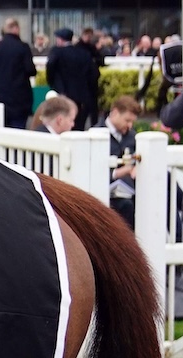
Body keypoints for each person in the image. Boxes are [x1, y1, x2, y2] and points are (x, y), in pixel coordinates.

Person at [0, 19, 36, 130]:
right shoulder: (22, 47)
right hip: (20, 99)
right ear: (16, 28)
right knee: (18, 132)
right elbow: (30, 70)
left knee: (1, 130)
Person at [44, 28, 100, 131]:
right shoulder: (83, 53)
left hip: (63, 94)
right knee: (78, 126)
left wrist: (52, 84)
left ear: (60, 40)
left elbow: (50, 68)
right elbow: (93, 73)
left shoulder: (57, 52)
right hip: (81, 96)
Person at [105, 96, 142, 227]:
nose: (130, 125)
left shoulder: (132, 136)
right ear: (115, 113)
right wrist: (119, 172)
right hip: (107, 192)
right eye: (127, 120)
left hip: (132, 188)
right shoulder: (97, 134)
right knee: (126, 206)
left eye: (132, 122)